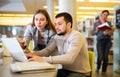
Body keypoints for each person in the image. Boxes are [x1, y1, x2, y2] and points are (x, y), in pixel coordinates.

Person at [25, 12, 91, 77]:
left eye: (59, 24)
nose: (56, 27)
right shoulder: (57, 37)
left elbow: (69, 58)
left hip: (80, 73)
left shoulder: (76, 36)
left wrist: (42, 59)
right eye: (55, 24)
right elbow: (47, 51)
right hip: (65, 70)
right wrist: (33, 54)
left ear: (69, 25)